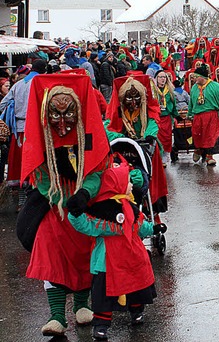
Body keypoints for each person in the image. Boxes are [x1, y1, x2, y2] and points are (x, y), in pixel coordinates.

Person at [17, 73, 110, 337]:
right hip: (52, 206)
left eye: (68, 115)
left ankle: (82, 305)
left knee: (85, 254)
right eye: (55, 115)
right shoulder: (44, 139)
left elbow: (96, 170)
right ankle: (57, 314)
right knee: (51, 256)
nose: (61, 123)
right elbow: (40, 175)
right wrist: (56, 196)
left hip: (83, 204)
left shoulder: (87, 135)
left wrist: (84, 193)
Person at [68, 162, 162, 340]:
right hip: (107, 260)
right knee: (104, 293)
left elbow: (140, 226)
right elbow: (86, 225)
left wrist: (154, 228)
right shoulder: (101, 213)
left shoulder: (130, 208)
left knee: (136, 285)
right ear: (117, 186)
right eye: (128, 182)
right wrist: (74, 213)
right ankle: (101, 324)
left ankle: (136, 311)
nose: (131, 185)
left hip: (132, 256)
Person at [105, 74, 168, 219]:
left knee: (151, 183)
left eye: (136, 98)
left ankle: (154, 215)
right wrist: (122, 138)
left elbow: (153, 122)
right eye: (129, 98)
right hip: (124, 151)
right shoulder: (119, 112)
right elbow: (107, 128)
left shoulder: (146, 110)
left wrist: (149, 136)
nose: (133, 102)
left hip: (146, 149)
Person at [0, 59, 47, 206]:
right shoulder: (42, 83)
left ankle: (22, 200)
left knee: (20, 164)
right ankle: (32, 200)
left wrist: (13, 111)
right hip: (37, 130)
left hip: (19, 130)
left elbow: (2, 104)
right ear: (44, 70)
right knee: (37, 163)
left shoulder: (18, 85)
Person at [188, 64, 219, 166]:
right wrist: (190, 113)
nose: (194, 78)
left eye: (196, 76)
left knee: (211, 136)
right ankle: (198, 150)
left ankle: (210, 156)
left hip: (211, 115)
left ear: (203, 77)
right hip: (198, 116)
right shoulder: (194, 88)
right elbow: (191, 102)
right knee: (197, 134)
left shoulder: (215, 86)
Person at [153, 70, 179, 166]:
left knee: (167, 137)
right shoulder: (153, 90)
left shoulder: (170, 90)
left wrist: (176, 115)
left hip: (167, 117)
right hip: (157, 118)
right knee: (157, 137)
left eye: (164, 77)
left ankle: (165, 156)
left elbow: (174, 104)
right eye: (160, 77)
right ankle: (158, 156)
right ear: (156, 79)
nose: (163, 79)